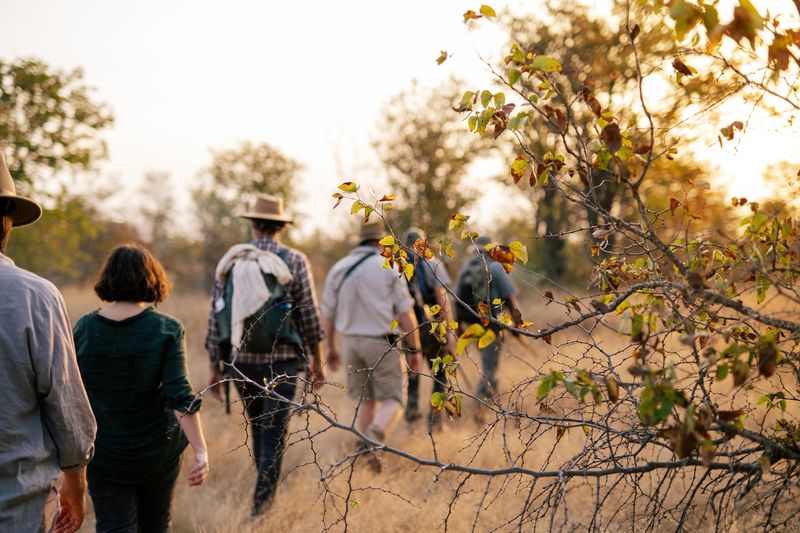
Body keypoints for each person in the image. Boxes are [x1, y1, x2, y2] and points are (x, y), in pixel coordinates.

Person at [73, 244, 209, 532]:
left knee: (112, 527)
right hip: (156, 453)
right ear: (152, 279)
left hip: (104, 453)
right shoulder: (166, 329)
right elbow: (180, 395)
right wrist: (200, 449)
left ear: (108, 278)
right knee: (156, 526)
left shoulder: (84, 328)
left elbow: (71, 396)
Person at [205, 194, 326, 516]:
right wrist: (318, 360)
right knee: (274, 434)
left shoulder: (232, 262)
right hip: (283, 363)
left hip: (240, 363)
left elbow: (216, 318)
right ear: (280, 227)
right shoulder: (294, 260)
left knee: (259, 428)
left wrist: (214, 369)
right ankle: (260, 511)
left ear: (254, 225)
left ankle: (262, 502)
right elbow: (309, 316)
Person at [0, 151, 96, 533]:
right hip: (16, 505)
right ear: (6, 220)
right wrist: (77, 485)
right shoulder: (35, 296)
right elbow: (65, 403)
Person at [321, 219, 422, 470]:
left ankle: (366, 456)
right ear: (381, 242)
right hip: (380, 342)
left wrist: (330, 348)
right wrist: (414, 349)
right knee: (394, 401)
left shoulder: (339, 268)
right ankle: (373, 439)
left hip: (350, 344)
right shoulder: (388, 267)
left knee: (366, 401)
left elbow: (328, 314)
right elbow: (405, 313)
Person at [401, 227, 457, 427]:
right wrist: (449, 333)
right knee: (440, 374)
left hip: (409, 331)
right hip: (433, 329)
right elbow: (442, 300)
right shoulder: (432, 265)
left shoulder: (398, 267)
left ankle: (412, 420)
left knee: (413, 375)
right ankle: (436, 423)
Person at [454, 235, 519, 400]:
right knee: (490, 363)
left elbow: (456, 299)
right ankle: (483, 399)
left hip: (472, 322)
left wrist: (458, 326)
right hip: (491, 322)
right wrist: (518, 323)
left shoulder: (466, 267)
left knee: (486, 359)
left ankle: (488, 397)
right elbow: (509, 296)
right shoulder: (496, 267)